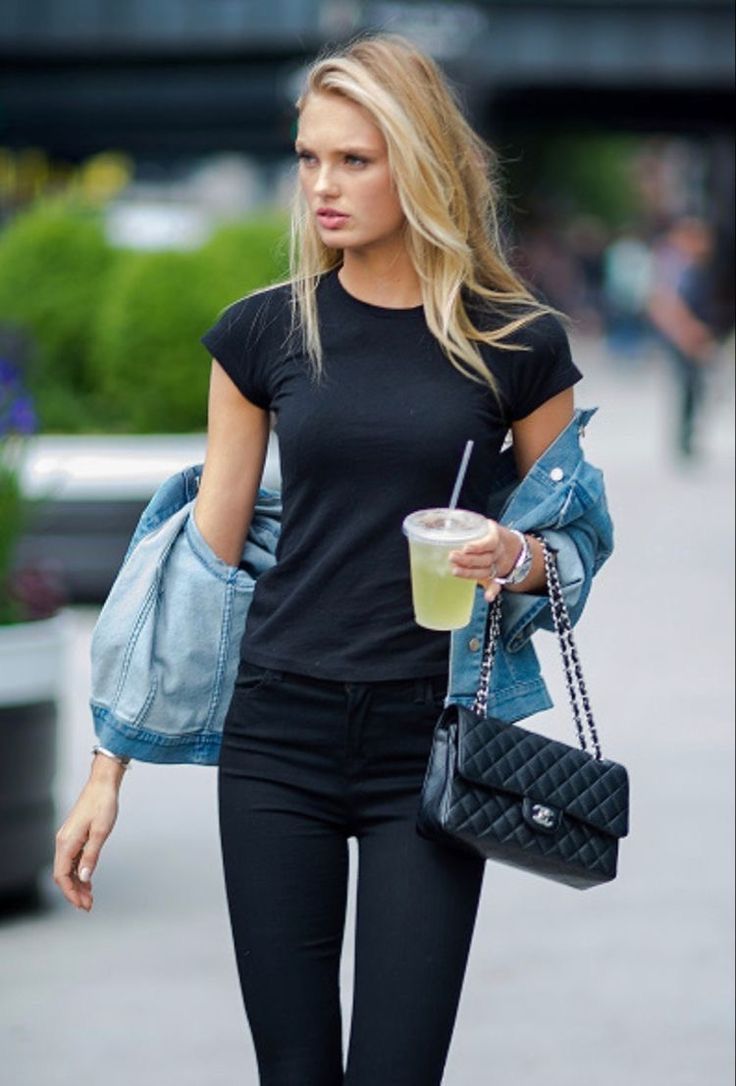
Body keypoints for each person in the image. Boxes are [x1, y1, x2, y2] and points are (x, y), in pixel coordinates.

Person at [53, 34, 612, 1086]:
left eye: (353, 159)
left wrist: (515, 552)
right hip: (278, 738)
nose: (321, 185)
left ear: (421, 163)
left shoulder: (518, 345)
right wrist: (106, 768)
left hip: (429, 740)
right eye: (309, 159)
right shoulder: (260, 334)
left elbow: (577, 537)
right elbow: (197, 560)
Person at [646, 216, 720, 458]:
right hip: (681, 335)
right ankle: (684, 438)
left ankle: (687, 437)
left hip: (687, 334)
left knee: (694, 388)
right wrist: (687, 331)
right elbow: (665, 302)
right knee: (688, 387)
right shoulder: (674, 264)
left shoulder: (692, 265)